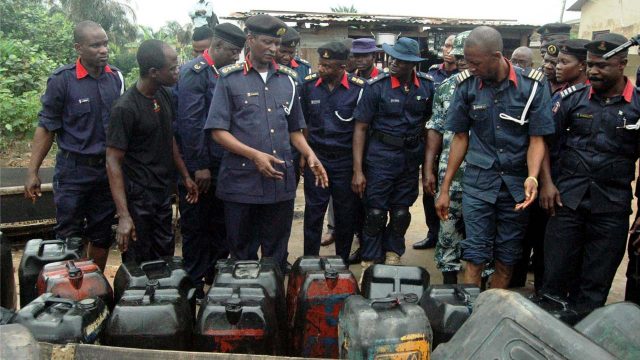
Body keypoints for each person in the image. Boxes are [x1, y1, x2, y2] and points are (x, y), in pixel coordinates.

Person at [204, 14, 328, 273]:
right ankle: (246, 309)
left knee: (276, 254)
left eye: (277, 44)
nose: (273, 49)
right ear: (250, 40)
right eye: (267, 42)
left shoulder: (289, 80)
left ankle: (274, 307)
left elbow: (295, 129)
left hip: (278, 184)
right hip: (241, 184)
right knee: (242, 255)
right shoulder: (229, 79)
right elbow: (217, 131)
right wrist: (254, 155)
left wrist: (310, 154)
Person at [435, 26, 554, 289]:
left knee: (506, 258)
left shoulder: (532, 86)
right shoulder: (467, 86)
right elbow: (460, 138)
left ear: (497, 56)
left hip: (515, 188)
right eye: (467, 61)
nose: (470, 67)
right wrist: (444, 189)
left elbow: (537, 140)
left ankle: (492, 314)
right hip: (478, 184)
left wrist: (533, 176)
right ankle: (471, 312)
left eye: (475, 62)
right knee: (475, 255)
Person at [540, 33, 640, 314]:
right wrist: (547, 183)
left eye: (602, 65)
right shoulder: (572, 99)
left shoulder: (637, 106)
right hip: (567, 202)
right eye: (591, 64)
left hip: (611, 208)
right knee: (555, 276)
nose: (593, 71)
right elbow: (544, 142)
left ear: (622, 64)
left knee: (595, 284)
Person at [24, 21, 124, 271]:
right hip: (73, 173)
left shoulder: (116, 78)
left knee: (101, 234)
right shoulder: (62, 81)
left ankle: (95, 287)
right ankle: (70, 294)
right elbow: (47, 127)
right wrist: (32, 172)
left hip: (106, 172)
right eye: (95, 45)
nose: (103, 50)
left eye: (105, 43)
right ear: (79, 48)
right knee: (69, 237)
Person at [106, 40, 198, 264]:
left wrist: (185, 176)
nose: (178, 70)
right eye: (173, 67)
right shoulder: (125, 108)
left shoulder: (163, 95)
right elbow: (112, 161)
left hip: (161, 193)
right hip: (138, 198)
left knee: (164, 256)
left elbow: (170, 140)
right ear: (154, 72)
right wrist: (124, 216)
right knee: (139, 261)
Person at [511, 39, 591, 290]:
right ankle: (517, 287)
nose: (552, 66)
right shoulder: (544, 89)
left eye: (559, 62)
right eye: (548, 60)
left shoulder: (580, 95)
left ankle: (547, 294)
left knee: (552, 243)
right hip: (538, 175)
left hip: (564, 181)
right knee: (525, 235)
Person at [352, 37, 434, 275]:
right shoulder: (377, 86)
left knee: (401, 213)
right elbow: (360, 128)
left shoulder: (427, 87)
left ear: (413, 64)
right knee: (375, 213)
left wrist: (426, 168)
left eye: (401, 60)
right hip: (380, 158)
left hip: (410, 159)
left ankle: (393, 254)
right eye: (393, 57)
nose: (394, 63)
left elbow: (430, 128)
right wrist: (358, 170)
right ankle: (370, 260)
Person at [174, 23, 245, 299]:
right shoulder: (195, 74)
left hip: (222, 165)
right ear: (216, 46)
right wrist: (199, 165)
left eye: (240, 52)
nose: (237, 57)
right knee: (195, 226)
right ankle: (193, 285)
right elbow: (190, 124)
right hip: (200, 167)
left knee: (220, 224)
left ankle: (214, 277)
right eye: (233, 51)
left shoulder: (224, 73)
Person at [300, 41, 365, 263]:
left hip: (344, 162)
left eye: (327, 66)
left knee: (345, 215)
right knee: (313, 213)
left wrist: (358, 169)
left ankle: (341, 262)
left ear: (342, 67)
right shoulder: (308, 86)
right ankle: (309, 261)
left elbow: (361, 129)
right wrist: (305, 155)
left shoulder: (359, 88)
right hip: (316, 159)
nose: (321, 69)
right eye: (321, 64)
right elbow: (304, 124)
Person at [424, 31, 471, 284]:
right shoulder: (446, 88)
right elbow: (435, 128)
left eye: (467, 56)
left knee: (480, 236)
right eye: (459, 56)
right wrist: (428, 169)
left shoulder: (497, 88)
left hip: (484, 177)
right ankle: (449, 289)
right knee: (448, 232)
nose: (462, 61)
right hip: (450, 176)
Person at [414, 34, 458, 251]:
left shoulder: (466, 76)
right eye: (446, 45)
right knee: (430, 189)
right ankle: (433, 233)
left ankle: (452, 239)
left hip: (456, 142)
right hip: (434, 138)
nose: (448, 50)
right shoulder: (432, 74)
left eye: (452, 46)